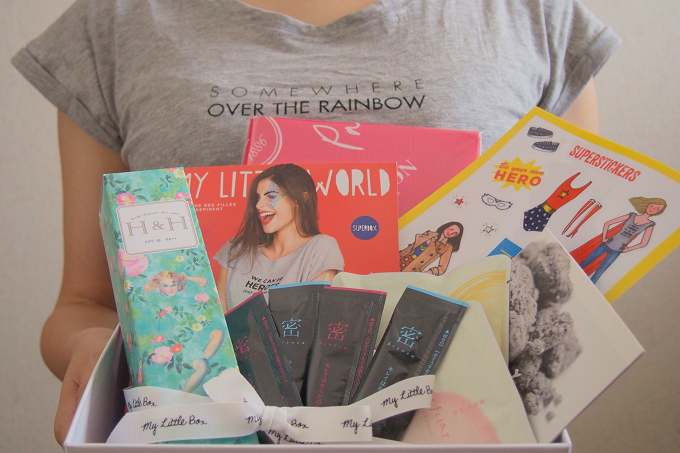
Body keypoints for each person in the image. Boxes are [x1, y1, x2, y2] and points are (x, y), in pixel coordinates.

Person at [11, 0, 618, 445]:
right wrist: (95, 355)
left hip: (450, 422)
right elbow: (85, 304)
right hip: (207, 427)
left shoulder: (537, 16)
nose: (264, 206)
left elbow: (576, 288)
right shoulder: (115, 23)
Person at [213, 164, 344, 312]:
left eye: (271, 196)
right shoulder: (236, 249)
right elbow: (219, 319)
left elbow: (310, 317)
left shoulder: (321, 248)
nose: (258, 205)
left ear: (300, 199)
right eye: (258, 197)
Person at [571, 197, 666, 283]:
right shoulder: (631, 215)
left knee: (599, 272)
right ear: (648, 204)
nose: (653, 209)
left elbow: (644, 243)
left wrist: (628, 249)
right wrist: (604, 238)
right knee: (584, 263)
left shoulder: (649, 224)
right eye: (652, 205)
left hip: (617, 251)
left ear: (659, 212)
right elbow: (608, 223)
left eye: (657, 209)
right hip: (606, 244)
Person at [399, 221, 464, 275]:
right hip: (402, 260)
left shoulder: (447, 247)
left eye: (455, 233)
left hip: (412, 271)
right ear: (446, 227)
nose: (451, 233)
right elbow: (409, 249)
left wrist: (428, 273)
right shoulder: (429, 234)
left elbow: (442, 268)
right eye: (451, 229)